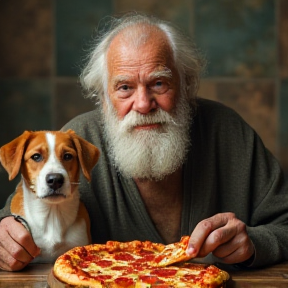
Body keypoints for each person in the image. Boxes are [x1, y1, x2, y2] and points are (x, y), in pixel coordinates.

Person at [0, 13, 288, 272]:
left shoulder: (229, 131)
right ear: (103, 98)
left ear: (185, 86)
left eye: (159, 83)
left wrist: (254, 243)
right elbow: (13, 219)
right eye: (124, 87)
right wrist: (4, 236)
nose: (143, 104)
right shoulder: (75, 141)